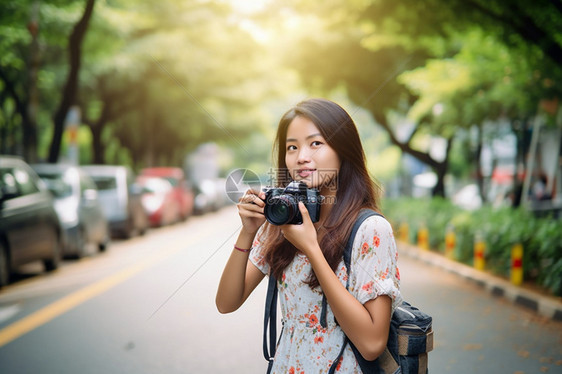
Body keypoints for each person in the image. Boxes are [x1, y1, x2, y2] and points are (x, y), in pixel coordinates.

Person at [216, 98, 402, 373]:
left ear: (343, 151)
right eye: (292, 147)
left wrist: (312, 250)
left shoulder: (369, 228)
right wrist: (247, 232)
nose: (301, 156)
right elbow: (226, 303)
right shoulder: (282, 221)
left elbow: (372, 343)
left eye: (316, 143)